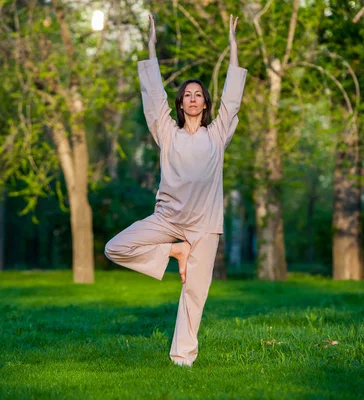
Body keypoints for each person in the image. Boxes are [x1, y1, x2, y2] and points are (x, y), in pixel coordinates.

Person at [104, 12, 247, 367]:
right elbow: (153, 98)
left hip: (204, 227)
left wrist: (233, 49)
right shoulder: (167, 133)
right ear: (181, 103)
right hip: (167, 220)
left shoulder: (218, 135)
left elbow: (233, 98)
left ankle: (182, 358)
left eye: (199, 95)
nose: (194, 99)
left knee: (194, 294)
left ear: (205, 103)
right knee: (114, 247)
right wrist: (151, 49)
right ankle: (175, 252)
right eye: (188, 95)